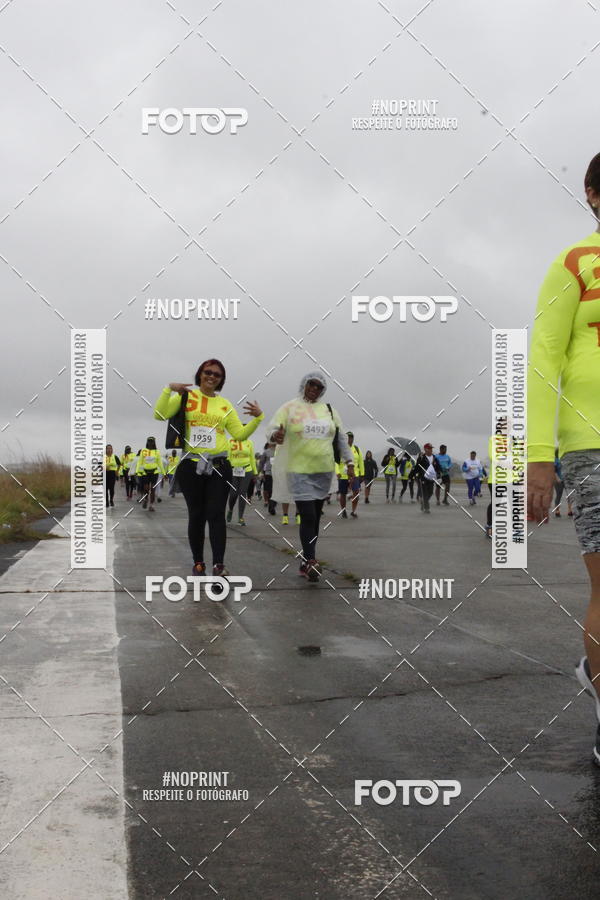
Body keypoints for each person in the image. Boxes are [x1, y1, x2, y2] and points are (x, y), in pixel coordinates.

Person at [527, 152, 600, 764]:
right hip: (591, 441)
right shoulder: (573, 263)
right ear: (592, 195)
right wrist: (538, 457)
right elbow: (543, 360)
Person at [154, 359, 263, 575]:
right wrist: (169, 389)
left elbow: (239, 434)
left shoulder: (225, 405)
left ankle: (218, 565)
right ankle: (198, 562)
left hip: (219, 466)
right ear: (200, 374)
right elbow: (159, 414)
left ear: (221, 380)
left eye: (217, 374)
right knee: (197, 515)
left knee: (216, 514)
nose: (211, 376)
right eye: (208, 372)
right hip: (191, 465)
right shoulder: (186, 397)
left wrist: (258, 418)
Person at [270, 372, 353, 582]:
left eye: (319, 386)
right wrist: (275, 435)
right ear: (304, 385)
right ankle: (310, 560)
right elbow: (273, 428)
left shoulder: (329, 410)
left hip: (323, 471)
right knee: (307, 515)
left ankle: (306, 560)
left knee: (314, 517)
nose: (314, 389)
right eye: (311, 384)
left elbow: (341, 438)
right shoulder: (290, 407)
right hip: (298, 470)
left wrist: (350, 462)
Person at [226, 435, 258, 525]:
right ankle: (230, 509)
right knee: (233, 494)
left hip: (246, 470)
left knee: (242, 494)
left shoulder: (249, 442)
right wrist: (227, 469)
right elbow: (227, 456)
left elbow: (252, 458)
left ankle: (240, 517)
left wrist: (255, 472)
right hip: (233, 470)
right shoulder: (230, 441)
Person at [136, 437, 165, 511]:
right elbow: (140, 461)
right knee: (146, 488)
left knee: (152, 489)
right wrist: (137, 471)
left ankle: (151, 505)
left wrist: (164, 473)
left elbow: (160, 463)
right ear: (147, 442)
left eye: (152, 441)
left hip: (154, 472)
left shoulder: (157, 451)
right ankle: (146, 499)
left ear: (154, 443)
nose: (150, 443)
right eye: (149, 441)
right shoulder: (143, 451)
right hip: (145, 472)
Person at [413, 442, 441, 513]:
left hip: (431, 478)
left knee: (430, 492)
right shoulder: (422, 457)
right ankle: (426, 508)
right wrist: (414, 475)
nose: (431, 450)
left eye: (431, 448)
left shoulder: (434, 458)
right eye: (429, 448)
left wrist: (439, 475)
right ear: (425, 449)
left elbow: (438, 468)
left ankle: (423, 503)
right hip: (423, 478)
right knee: (425, 493)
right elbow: (417, 467)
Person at [554, 448, 573, 517]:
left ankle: (570, 510)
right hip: (558, 480)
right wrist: (557, 478)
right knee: (559, 495)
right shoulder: (556, 460)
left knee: (570, 495)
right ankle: (557, 510)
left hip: (568, 480)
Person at [259, 443, 276, 515]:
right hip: (268, 473)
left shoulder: (280, 451)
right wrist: (261, 472)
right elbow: (261, 463)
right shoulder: (266, 452)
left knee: (276, 491)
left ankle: (273, 505)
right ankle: (271, 506)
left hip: (278, 474)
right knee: (270, 490)